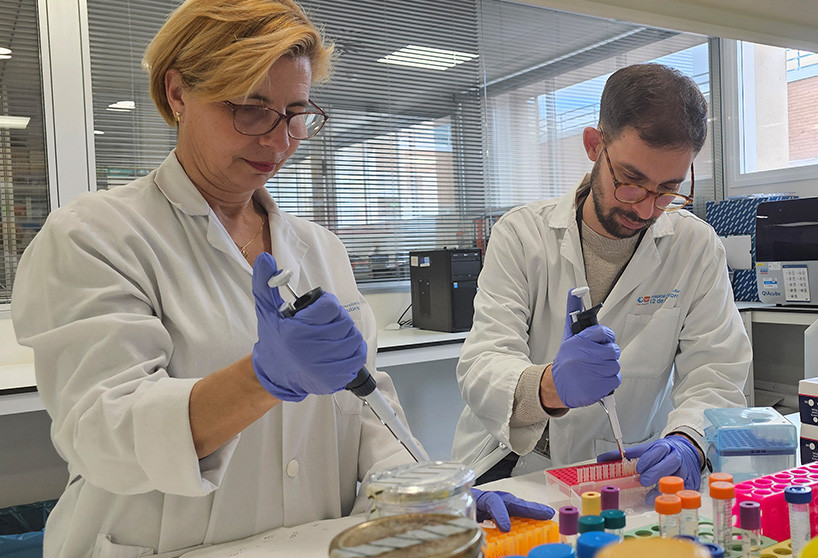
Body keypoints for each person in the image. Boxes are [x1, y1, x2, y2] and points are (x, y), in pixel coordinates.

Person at [10, 1, 550, 556]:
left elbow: (367, 407)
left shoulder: (320, 250)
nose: (278, 138)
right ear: (177, 94)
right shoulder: (96, 236)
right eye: (250, 108)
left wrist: (431, 498)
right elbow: (102, 434)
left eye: (295, 112)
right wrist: (261, 380)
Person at [451, 63, 752, 493]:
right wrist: (550, 385)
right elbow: (482, 364)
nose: (646, 210)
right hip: (509, 467)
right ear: (595, 145)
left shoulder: (695, 246)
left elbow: (716, 369)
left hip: (619, 468)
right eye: (631, 181)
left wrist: (689, 440)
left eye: (668, 189)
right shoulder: (522, 234)